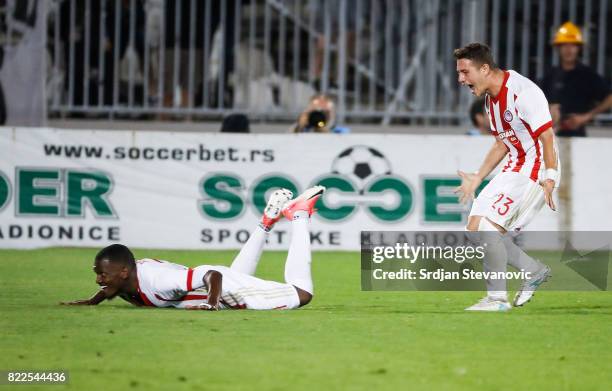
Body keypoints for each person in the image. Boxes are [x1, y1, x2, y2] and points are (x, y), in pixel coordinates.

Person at [61, 186, 325, 310]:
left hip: (218, 288)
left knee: (302, 294)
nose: (98, 280)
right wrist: (91, 301)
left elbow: (214, 276)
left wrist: (211, 304)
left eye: (103, 275)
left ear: (123, 273)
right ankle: (267, 222)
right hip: (213, 285)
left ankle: (299, 215)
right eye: (98, 273)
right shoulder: (123, 280)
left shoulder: (157, 281)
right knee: (235, 274)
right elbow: (109, 289)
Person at [453, 43, 559, 312]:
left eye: (465, 72)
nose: (461, 79)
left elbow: (547, 137)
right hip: (514, 166)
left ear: (485, 68)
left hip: (533, 169)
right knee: (474, 229)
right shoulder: (490, 99)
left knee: (489, 229)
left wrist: (550, 176)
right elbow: (501, 143)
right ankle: (533, 270)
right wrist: (478, 177)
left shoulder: (523, 93)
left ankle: (497, 300)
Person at [539, 22, 612, 137]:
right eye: (564, 45)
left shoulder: (587, 75)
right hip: (551, 136)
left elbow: (609, 98)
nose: (568, 50)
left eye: (573, 45)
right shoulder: (550, 76)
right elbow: (534, 102)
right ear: (558, 48)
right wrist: (550, 110)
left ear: (579, 48)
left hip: (577, 137)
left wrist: (585, 117)